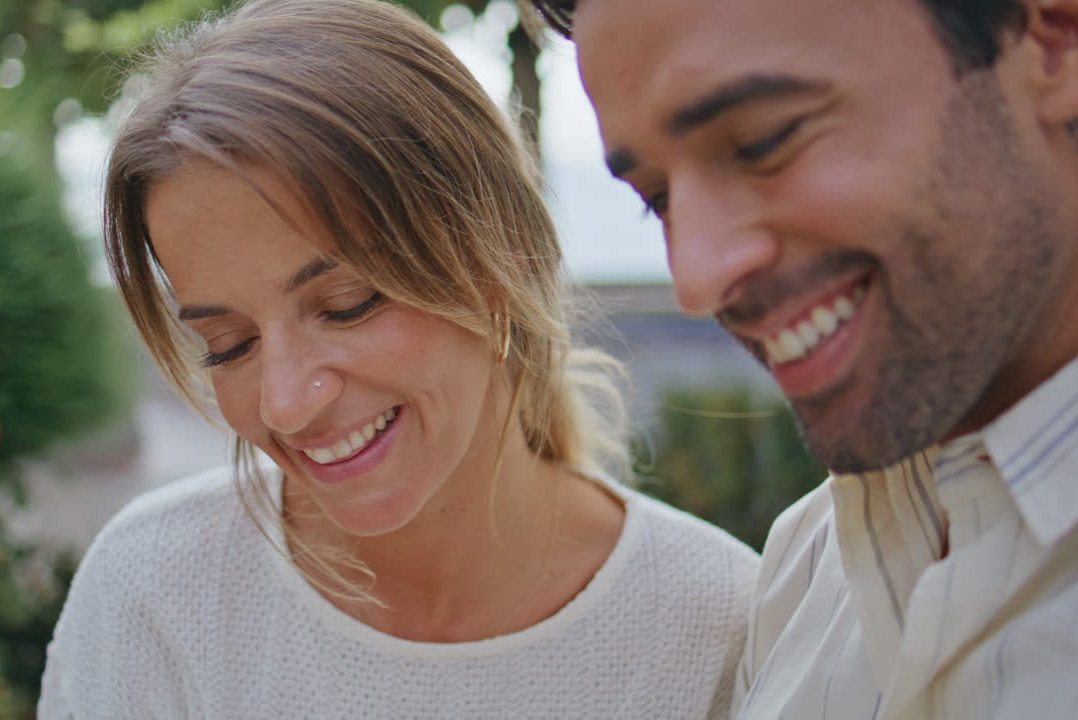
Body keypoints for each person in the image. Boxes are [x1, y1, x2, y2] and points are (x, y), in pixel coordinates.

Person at [37, 0, 758, 716]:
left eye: (347, 304)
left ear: (495, 262)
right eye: (230, 345)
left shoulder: (721, 624)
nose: (285, 402)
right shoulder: (153, 599)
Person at [526, 0, 1078, 718]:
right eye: (658, 199)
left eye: (766, 142)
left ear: (1055, 36)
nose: (697, 278)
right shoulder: (808, 564)